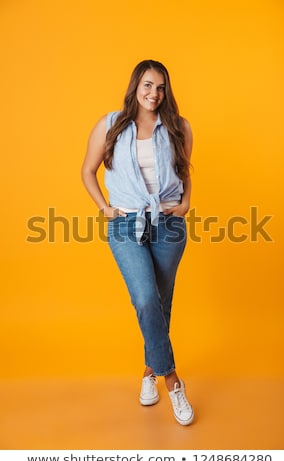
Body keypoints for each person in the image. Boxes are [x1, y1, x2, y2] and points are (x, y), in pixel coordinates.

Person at [81, 59, 194, 425]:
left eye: (160, 87)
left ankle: (149, 373)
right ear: (135, 86)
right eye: (148, 85)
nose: (154, 94)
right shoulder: (110, 124)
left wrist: (187, 202)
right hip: (126, 223)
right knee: (145, 298)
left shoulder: (179, 127)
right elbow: (87, 170)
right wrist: (104, 208)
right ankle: (173, 379)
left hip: (168, 225)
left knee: (160, 304)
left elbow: (184, 169)